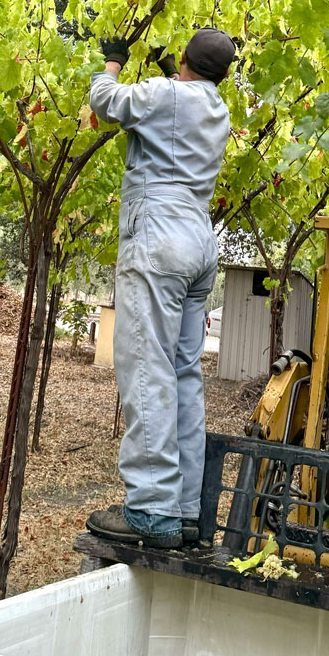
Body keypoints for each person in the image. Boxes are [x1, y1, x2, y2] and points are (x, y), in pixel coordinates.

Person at [85, 27, 236, 550]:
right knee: (183, 375)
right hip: (199, 246)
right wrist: (175, 71)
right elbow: (179, 98)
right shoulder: (217, 109)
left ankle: (151, 510)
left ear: (186, 64)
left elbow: (105, 102)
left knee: (146, 368)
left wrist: (112, 60)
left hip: (159, 241)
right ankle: (188, 510)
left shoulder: (165, 94)